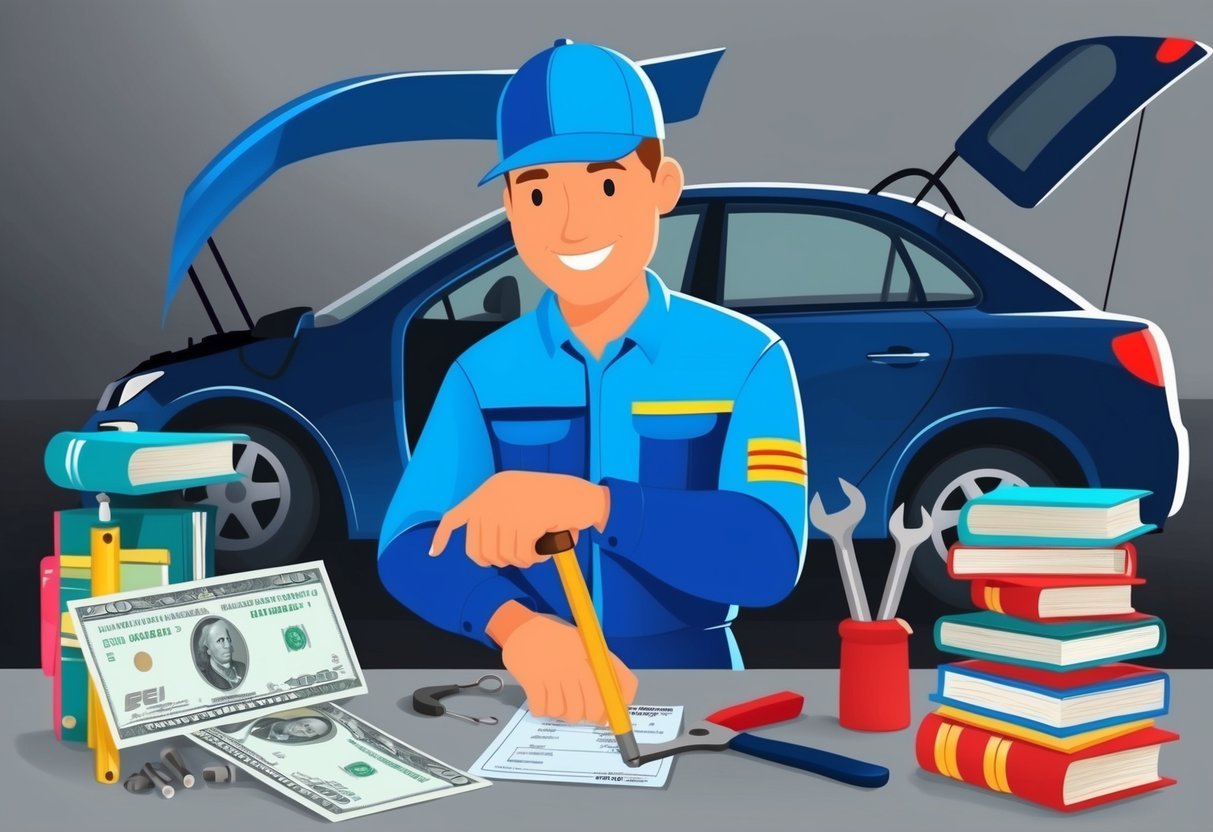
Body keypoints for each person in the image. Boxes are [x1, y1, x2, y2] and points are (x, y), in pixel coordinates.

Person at [378, 39, 807, 725]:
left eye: (604, 184)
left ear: (662, 186)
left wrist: (594, 506)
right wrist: (515, 628)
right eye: (539, 192)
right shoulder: (481, 374)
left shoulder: (746, 358)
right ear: (511, 212)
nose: (572, 226)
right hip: (533, 694)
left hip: (699, 694)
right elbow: (407, 545)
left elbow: (768, 557)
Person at [194, 617, 247, 691]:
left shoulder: (242, 667)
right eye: (220, 640)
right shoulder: (205, 677)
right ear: (208, 649)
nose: (227, 645)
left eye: (228, 639)